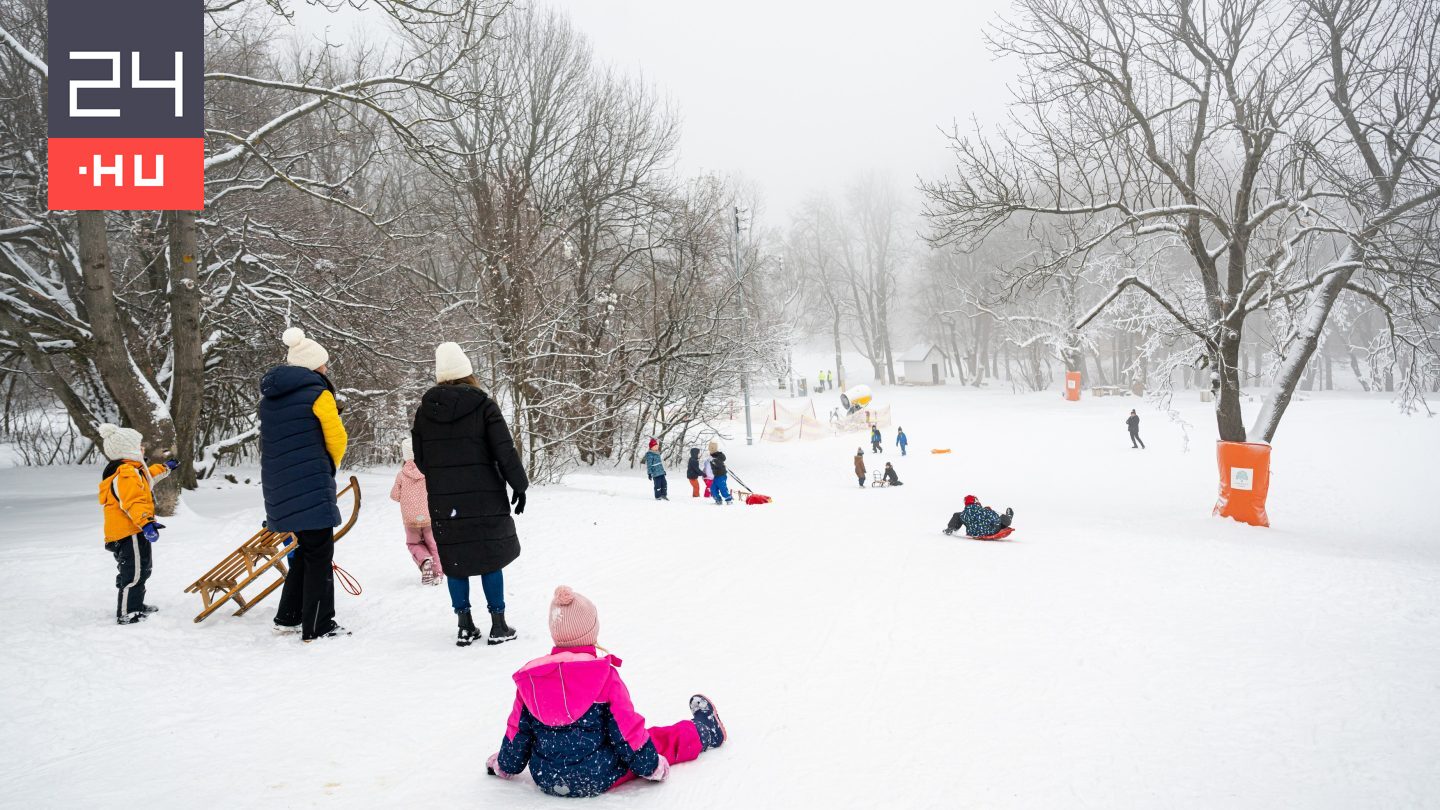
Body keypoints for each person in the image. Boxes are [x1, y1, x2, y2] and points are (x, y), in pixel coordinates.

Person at [485, 586, 727, 797]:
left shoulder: (533, 679)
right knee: (654, 739)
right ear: (592, 633)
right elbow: (627, 732)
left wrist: (504, 765)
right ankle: (707, 731)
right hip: (597, 775)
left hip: (547, 778)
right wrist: (652, 766)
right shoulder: (603, 676)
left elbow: (518, 733)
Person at [412, 342, 529, 647]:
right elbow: (504, 450)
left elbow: (421, 460)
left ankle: (464, 625)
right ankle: (499, 625)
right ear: (467, 372)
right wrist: (519, 484)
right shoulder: (483, 405)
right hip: (485, 496)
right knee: (490, 559)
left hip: (445, 500)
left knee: (455, 561)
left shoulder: (425, 413)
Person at [261, 328, 349, 642]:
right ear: (313, 366)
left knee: (306, 549)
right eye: (323, 364)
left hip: (278, 487)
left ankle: (288, 617)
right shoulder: (319, 394)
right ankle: (319, 625)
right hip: (310, 481)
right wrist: (329, 465)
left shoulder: (271, 398)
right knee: (319, 552)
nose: (326, 369)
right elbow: (337, 438)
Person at [96, 424, 176, 625]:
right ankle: (127, 612)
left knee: (142, 569)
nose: (143, 449)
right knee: (133, 572)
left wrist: (166, 468)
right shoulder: (126, 473)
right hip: (129, 531)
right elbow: (132, 501)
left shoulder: (133, 471)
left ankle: (135, 605)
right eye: (139, 446)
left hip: (133, 529)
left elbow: (147, 479)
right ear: (128, 449)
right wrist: (147, 523)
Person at [391, 437, 441, 586]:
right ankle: (437, 573)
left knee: (413, 543)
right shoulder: (429, 472)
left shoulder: (401, 475)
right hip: (428, 515)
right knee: (433, 544)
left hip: (410, 519)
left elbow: (394, 496)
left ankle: (424, 559)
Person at [944, 495, 1015, 537]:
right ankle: (1009, 517)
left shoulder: (963, 514)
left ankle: (951, 528)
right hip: (991, 531)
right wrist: (991, 511)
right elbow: (995, 520)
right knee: (1003, 519)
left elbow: (961, 517)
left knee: (957, 515)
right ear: (976, 501)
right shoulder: (985, 511)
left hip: (973, 532)